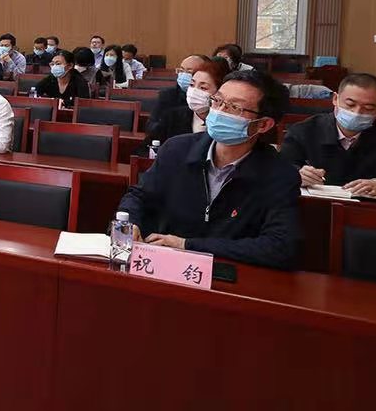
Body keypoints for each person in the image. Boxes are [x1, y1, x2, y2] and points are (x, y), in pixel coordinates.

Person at [119, 70, 301, 268]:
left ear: (263, 124)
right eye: (217, 101)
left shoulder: (280, 175)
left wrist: (187, 245)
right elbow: (139, 196)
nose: (219, 111)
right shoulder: (176, 149)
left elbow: (279, 246)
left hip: (228, 274)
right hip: (164, 267)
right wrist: (131, 223)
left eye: (234, 107)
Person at [281, 73, 376, 196]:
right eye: (350, 104)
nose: (357, 112)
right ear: (335, 99)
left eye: (368, 108)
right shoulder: (304, 131)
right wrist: (297, 174)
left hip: (368, 212)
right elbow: (280, 168)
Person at [149, 58, 227, 144]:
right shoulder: (172, 117)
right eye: (192, 85)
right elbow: (148, 146)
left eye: (203, 88)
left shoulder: (225, 125)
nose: (194, 91)